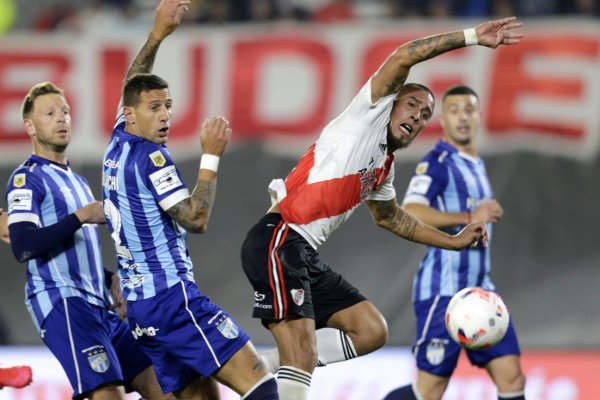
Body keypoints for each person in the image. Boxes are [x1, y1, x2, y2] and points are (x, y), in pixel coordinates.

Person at [241, 17, 523, 399]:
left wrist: (453, 241)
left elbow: (390, 217)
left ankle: (262, 365)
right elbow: (404, 55)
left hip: (300, 252)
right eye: (411, 105)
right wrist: (471, 37)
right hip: (279, 237)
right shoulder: (366, 117)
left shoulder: (383, 167)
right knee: (303, 352)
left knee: (371, 329)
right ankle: (279, 365)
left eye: (425, 116)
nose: (417, 117)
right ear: (391, 102)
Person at [100, 1, 278, 399]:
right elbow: (195, 218)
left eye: (168, 106)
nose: (165, 116)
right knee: (257, 379)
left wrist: (158, 34)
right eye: (155, 108)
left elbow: (133, 80)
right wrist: (211, 155)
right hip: (173, 300)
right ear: (131, 115)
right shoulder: (152, 158)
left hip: (143, 310)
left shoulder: (118, 142)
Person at [4, 81, 171, 400]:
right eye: (49, 113)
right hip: (64, 303)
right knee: (109, 395)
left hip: (100, 304)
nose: (61, 118)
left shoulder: (78, 181)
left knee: (167, 387)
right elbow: (24, 245)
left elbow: (77, 252)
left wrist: (111, 280)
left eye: (65, 111)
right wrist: (80, 216)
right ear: (30, 125)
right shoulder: (27, 179)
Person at [382, 85, 526, 400]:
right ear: (443, 120)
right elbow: (411, 210)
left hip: (482, 294)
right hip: (444, 294)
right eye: (454, 110)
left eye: (469, 110)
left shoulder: (474, 164)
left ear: (478, 116)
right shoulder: (438, 162)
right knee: (428, 391)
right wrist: (469, 214)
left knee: (512, 377)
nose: (462, 117)